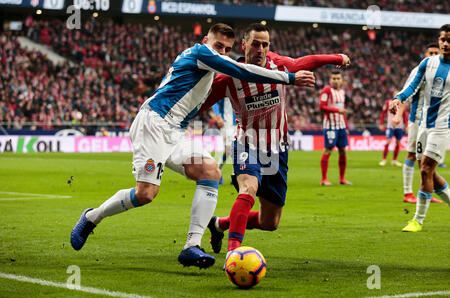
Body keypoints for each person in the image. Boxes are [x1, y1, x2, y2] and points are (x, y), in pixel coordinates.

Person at [70, 23, 316, 268]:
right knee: (146, 194)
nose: (221, 52)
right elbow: (243, 71)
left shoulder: (210, 66)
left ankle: (191, 246)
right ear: (206, 41)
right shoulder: (201, 54)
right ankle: (92, 217)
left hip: (175, 130)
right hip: (154, 124)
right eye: (217, 45)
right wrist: (289, 78)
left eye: (227, 49)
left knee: (210, 171)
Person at [196, 23, 350, 254]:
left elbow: (301, 63)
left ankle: (219, 224)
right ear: (244, 44)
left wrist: (336, 57)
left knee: (270, 222)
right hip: (247, 143)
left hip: (278, 149)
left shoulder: (277, 64)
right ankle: (233, 252)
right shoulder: (229, 75)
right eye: (255, 43)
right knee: (248, 188)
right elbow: (201, 103)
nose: (260, 49)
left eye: (264, 44)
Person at [390, 24, 450, 232]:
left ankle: (418, 220)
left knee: (425, 168)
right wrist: (398, 98)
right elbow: (412, 86)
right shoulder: (428, 63)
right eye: (443, 39)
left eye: (449, 40)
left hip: (442, 127)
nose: (445, 44)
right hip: (423, 124)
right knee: (429, 173)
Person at [393, 43, 442, 203]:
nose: (433, 54)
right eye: (431, 52)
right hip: (417, 120)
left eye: (436, 52)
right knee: (412, 154)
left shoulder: (442, 69)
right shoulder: (419, 70)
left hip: (434, 122)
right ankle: (407, 193)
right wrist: (399, 116)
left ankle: (426, 190)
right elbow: (406, 91)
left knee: (427, 160)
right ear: (425, 53)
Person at [319, 70, 352, 186]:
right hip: (330, 126)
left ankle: (342, 178)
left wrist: (346, 126)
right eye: (334, 78)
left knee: (343, 151)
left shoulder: (342, 92)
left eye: (338, 78)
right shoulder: (327, 90)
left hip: (341, 126)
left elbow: (342, 111)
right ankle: (324, 179)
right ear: (330, 80)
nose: (336, 81)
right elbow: (322, 106)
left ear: (342, 80)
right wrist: (337, 110)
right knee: (328, 150)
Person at [378, 91, 408, 167]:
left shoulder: (402, 103)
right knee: (388, 141)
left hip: (399, 126)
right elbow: (383, 113)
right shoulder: (388, 102)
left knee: (398, 143)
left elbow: (404, 115)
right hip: (390, 125)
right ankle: (384, 159)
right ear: (393, 95)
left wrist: (406, 125)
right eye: (396, 94)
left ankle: (394, 160)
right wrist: (381, 123)